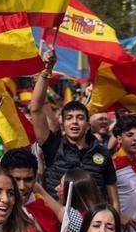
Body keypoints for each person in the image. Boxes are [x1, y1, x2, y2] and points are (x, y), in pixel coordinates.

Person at [29, 50, 120, 208]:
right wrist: (47, 70)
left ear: (87, 124)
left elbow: (114, 201)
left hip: (92, 226)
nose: (75, 123)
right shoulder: (53, 145)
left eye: (80, 118)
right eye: (69, 118)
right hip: (57, 225)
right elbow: (36, 109)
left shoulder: (103, 154)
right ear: (62, 123)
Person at [0, 147, 62, 232]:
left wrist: (41, 190)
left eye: (28, 179)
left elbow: (71, 221)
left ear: (35, 179)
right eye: (16, 179)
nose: (22, 187)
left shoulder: (43, 205)